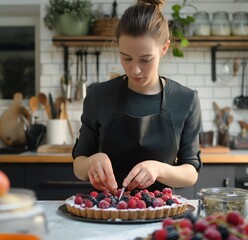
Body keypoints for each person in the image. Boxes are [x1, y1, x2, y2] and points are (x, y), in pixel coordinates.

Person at [72, 0, 202, 195]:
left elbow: (191, 171)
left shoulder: (185, 99)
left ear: (164, 49)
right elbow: (78, 165)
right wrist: (92, 161)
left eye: (145, 59)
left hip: (161, 213)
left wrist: (159, 169)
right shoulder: (98, 96)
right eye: (126, 58)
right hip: (106, 215)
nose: (135, 69)